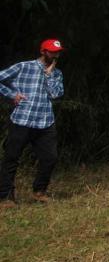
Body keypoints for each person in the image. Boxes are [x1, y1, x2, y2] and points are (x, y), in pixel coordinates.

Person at [0, 39, 65, 207]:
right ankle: (6, 196)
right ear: (43, 51)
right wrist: (11, 94)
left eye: (57, 52)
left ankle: (39, 191)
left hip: (45, 121)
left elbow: (56, 94)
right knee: (11, 157)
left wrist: (49, 76)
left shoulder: (56, 73)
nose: (55, 55)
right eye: (52, 51)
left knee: (50, 158)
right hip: (22, 119)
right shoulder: (24, 66)